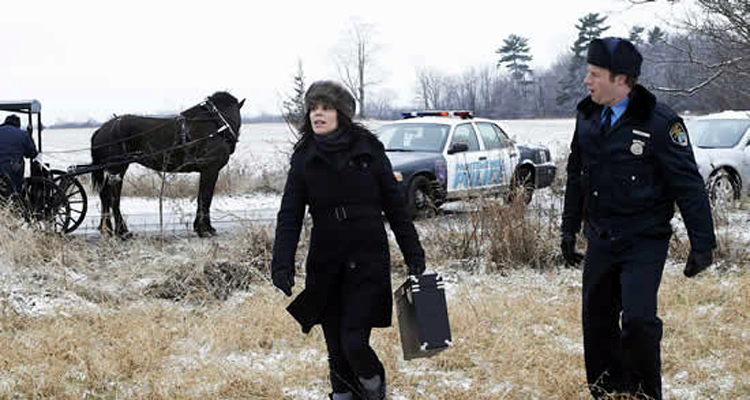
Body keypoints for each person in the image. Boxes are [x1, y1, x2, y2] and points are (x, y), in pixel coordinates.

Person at [561, 37, 716, 400]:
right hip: (600, 236)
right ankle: (607, 391)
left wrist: (703, 243)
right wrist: (568, 231)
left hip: (644, 239)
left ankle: (645, 393)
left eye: (595, 75)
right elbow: (575, 176)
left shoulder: (660, 122)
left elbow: (689, 186)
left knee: (638, 320)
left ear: (621, 79)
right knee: (597, 320)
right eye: (588, 73)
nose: (587, 81)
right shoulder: (586, 116)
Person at [270, 80, 426, 400]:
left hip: (367, 258)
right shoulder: (303, 158)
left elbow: (396, 207)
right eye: (313, 108)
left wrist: (414, 254)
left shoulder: (368, 150)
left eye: (326, 107)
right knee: (336, 350)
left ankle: (374, 391)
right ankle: (343, 395)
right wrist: (281, 263)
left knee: (353, 341)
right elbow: (290, 215)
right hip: (326, 262)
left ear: (341, 113)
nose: (318, 114)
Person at [0, 114, 38, 198]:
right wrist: (30, 136)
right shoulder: (23, 134)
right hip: (13, 171)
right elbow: (32, 154)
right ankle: (16, 201)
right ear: (18, 124)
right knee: (14, 191)